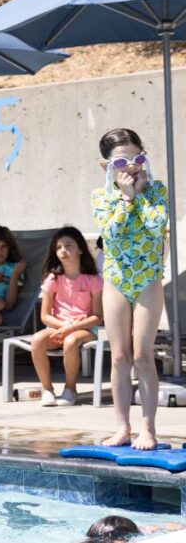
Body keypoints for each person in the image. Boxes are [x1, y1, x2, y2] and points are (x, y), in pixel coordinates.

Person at [91, 128, 168, 450]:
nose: (131, 166)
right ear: (106, 165)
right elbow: (110, 231)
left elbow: (155, 227)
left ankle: (148, 429)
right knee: (120, 357)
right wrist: (125, 198)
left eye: (138, 158)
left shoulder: (157, 190)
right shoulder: (101, 197)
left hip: (148, 280)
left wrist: (140, 193)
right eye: (122, 161)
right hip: (117, 282)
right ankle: (123, 427)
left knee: (142, 355)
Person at [29, 227, 103, 407]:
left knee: (70, 341)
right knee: (37, 340)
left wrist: (71, 327)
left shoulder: (93, 281)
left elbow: (97, 317)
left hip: (84, 329)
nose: (63, 250)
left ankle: (70, 389)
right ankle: (47, 389)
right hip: (57, 327)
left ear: (80, 249)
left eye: (68, 246)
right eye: (59, 247)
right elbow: (45, 316)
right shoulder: (52, 279)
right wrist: (63, 325)